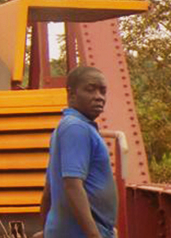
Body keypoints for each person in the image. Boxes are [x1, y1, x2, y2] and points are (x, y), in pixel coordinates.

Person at [40, 66, 117, 238]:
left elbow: (49, 191)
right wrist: (94, 235)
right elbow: (72, 185)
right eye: (90, 90)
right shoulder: (76, 128)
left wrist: (47, 231)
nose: (99, 97)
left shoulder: (66, 127)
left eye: (102, 91)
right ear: (72, 94)